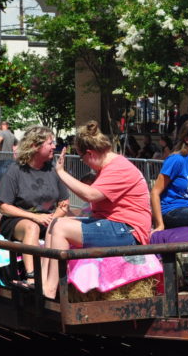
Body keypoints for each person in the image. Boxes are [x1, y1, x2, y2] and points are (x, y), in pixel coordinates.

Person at [40, 120, 152, 299]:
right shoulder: (108, 168)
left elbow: (90, 195)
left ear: (90, 153)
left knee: (60, 227)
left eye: (81, 158)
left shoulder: (119, 167)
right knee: (55, 224)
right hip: (115, 225)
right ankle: (43, 282)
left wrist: (61, 172)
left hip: (129, 232)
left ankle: (51, 290)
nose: (84, 163)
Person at [0, 126, 70, 289]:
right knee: (32, 227)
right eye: (50, 143)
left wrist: (52, 218)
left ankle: (68, 276)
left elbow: (64, 204)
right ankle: (32, 277)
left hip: (48, 219)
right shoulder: (15, 170)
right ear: (35, 146)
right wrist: (36, 217)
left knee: (70, 226)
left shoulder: (53, 169)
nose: (53, 147)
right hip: (19, 221)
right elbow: (4, 207)